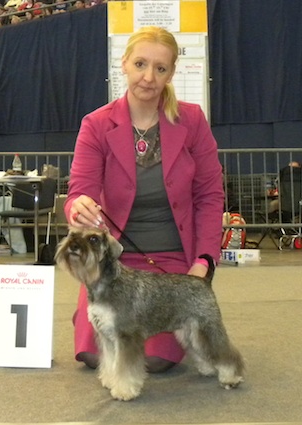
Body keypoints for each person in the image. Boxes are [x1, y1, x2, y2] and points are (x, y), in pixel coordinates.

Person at [64, 26, 224, 373]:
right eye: (140, 64)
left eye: (160, 68)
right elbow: (79, 190)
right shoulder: (96, 124)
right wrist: (77, 207)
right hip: (113, 262)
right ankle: (86, 316)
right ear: (124, 63)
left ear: (171, 73)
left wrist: (204, 260)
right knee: (93, 356)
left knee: (152, 360)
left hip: (171, 262)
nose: (149, 77)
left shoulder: (193, 121)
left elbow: (210, 196)